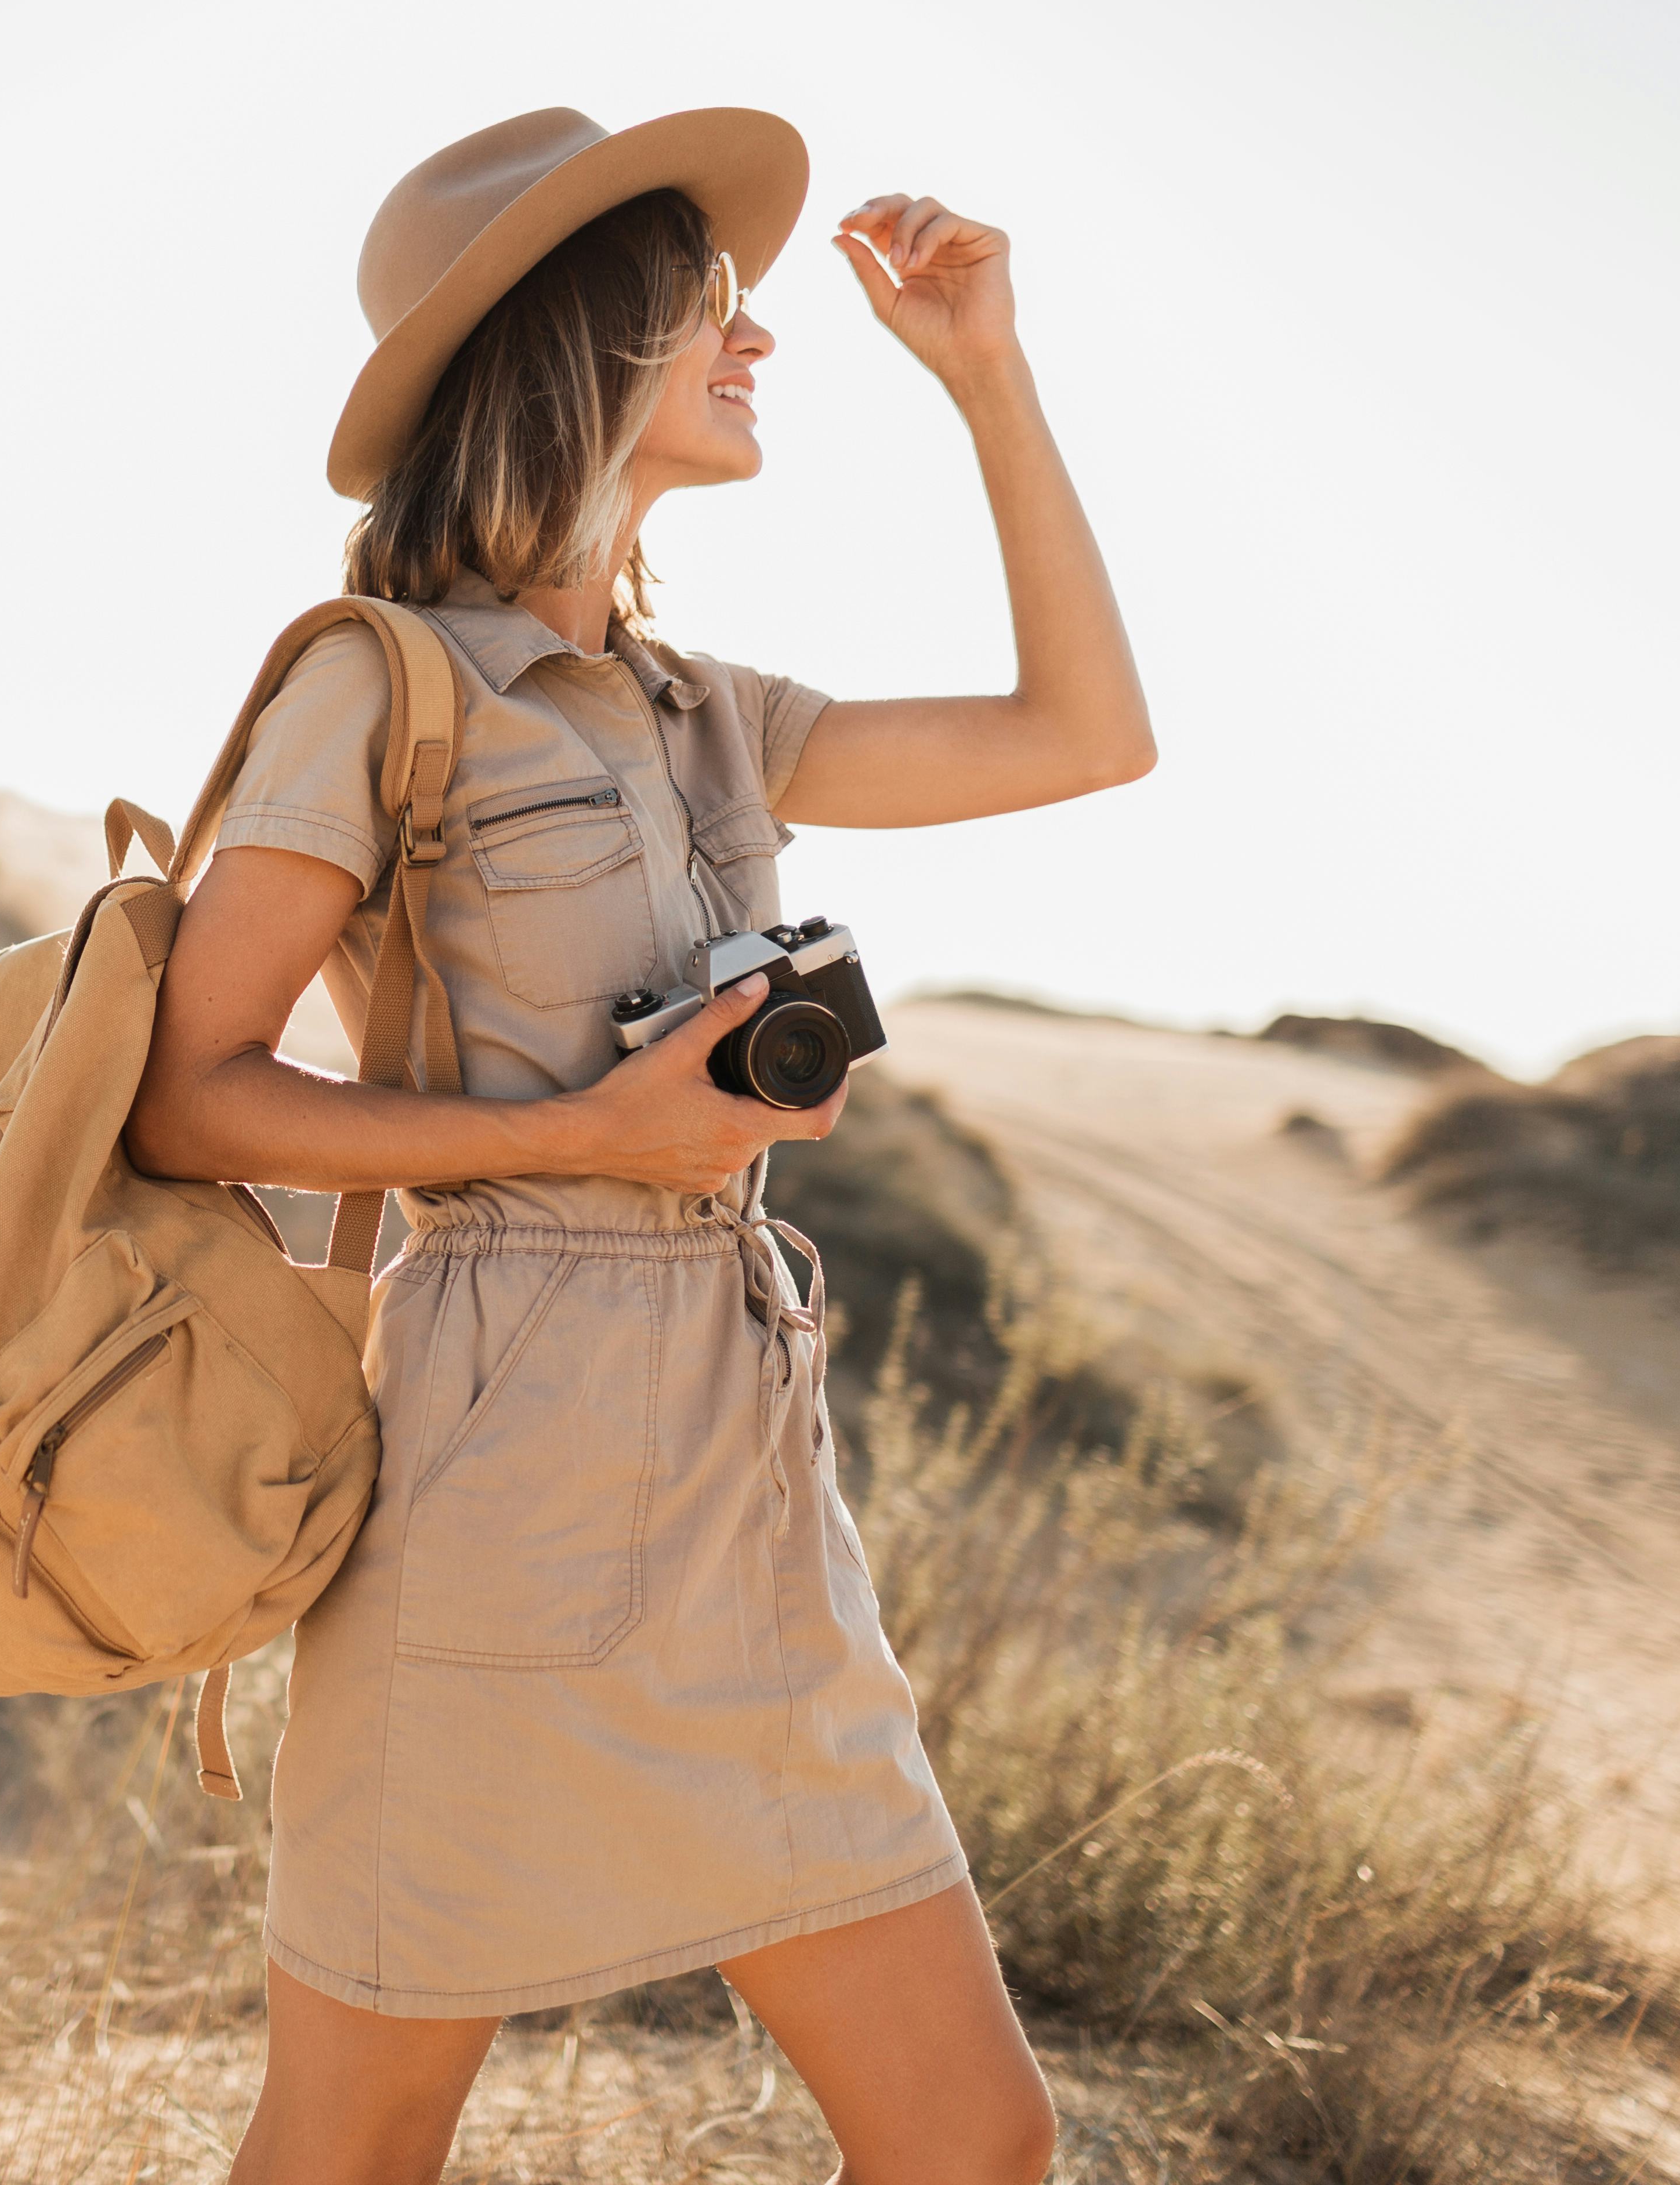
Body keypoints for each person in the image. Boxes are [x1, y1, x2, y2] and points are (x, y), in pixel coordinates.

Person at [124, 107, 1152, 2184]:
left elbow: (1086, 735)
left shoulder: (705, 710)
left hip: (749, 1457)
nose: (759, 334)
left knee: (976, 2142)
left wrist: (991, 374)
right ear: (582, 334)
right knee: (352, 2144)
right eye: (711, 301)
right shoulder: (386, 688)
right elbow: (185, 1087)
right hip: (496, 1447)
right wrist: (587, 1123)